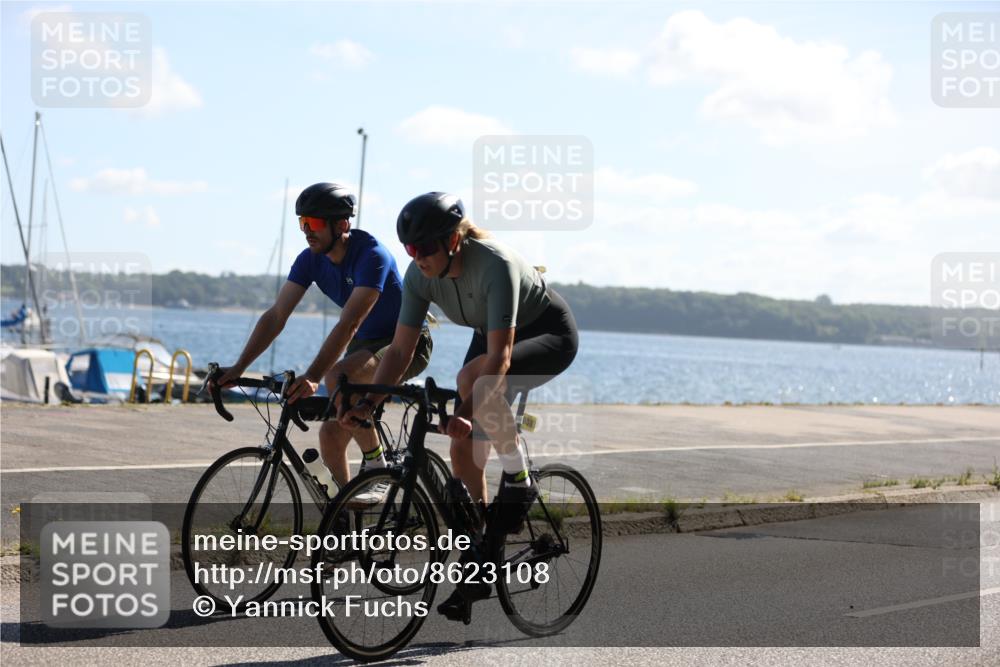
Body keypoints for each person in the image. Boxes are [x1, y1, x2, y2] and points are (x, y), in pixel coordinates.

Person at [340, 191, 579, 619]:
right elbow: (397, 352)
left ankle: (519, 475)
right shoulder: (419, 275)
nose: (418, 257)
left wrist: (466, 413)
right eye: (410, 249)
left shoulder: (493, 263)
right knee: (459, 450)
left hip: (544, 332)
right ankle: (485, 546)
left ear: (453, 240)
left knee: (472, 382)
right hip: (491, 329)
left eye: (425, 248)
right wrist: (370, 403)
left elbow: (501, 360)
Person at [214, 182, 432, 492]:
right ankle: (346, 519)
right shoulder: (310, 259)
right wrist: (237, 368)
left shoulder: (372, 256)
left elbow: (349, 324)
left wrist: (314, 375)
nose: (307, 231)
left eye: (314, 223)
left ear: (342, 224)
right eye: (302, 223)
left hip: (404, 343)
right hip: (364, 347)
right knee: (329, 435)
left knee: (337, 374)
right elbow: (277, 315)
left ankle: (376, 468)